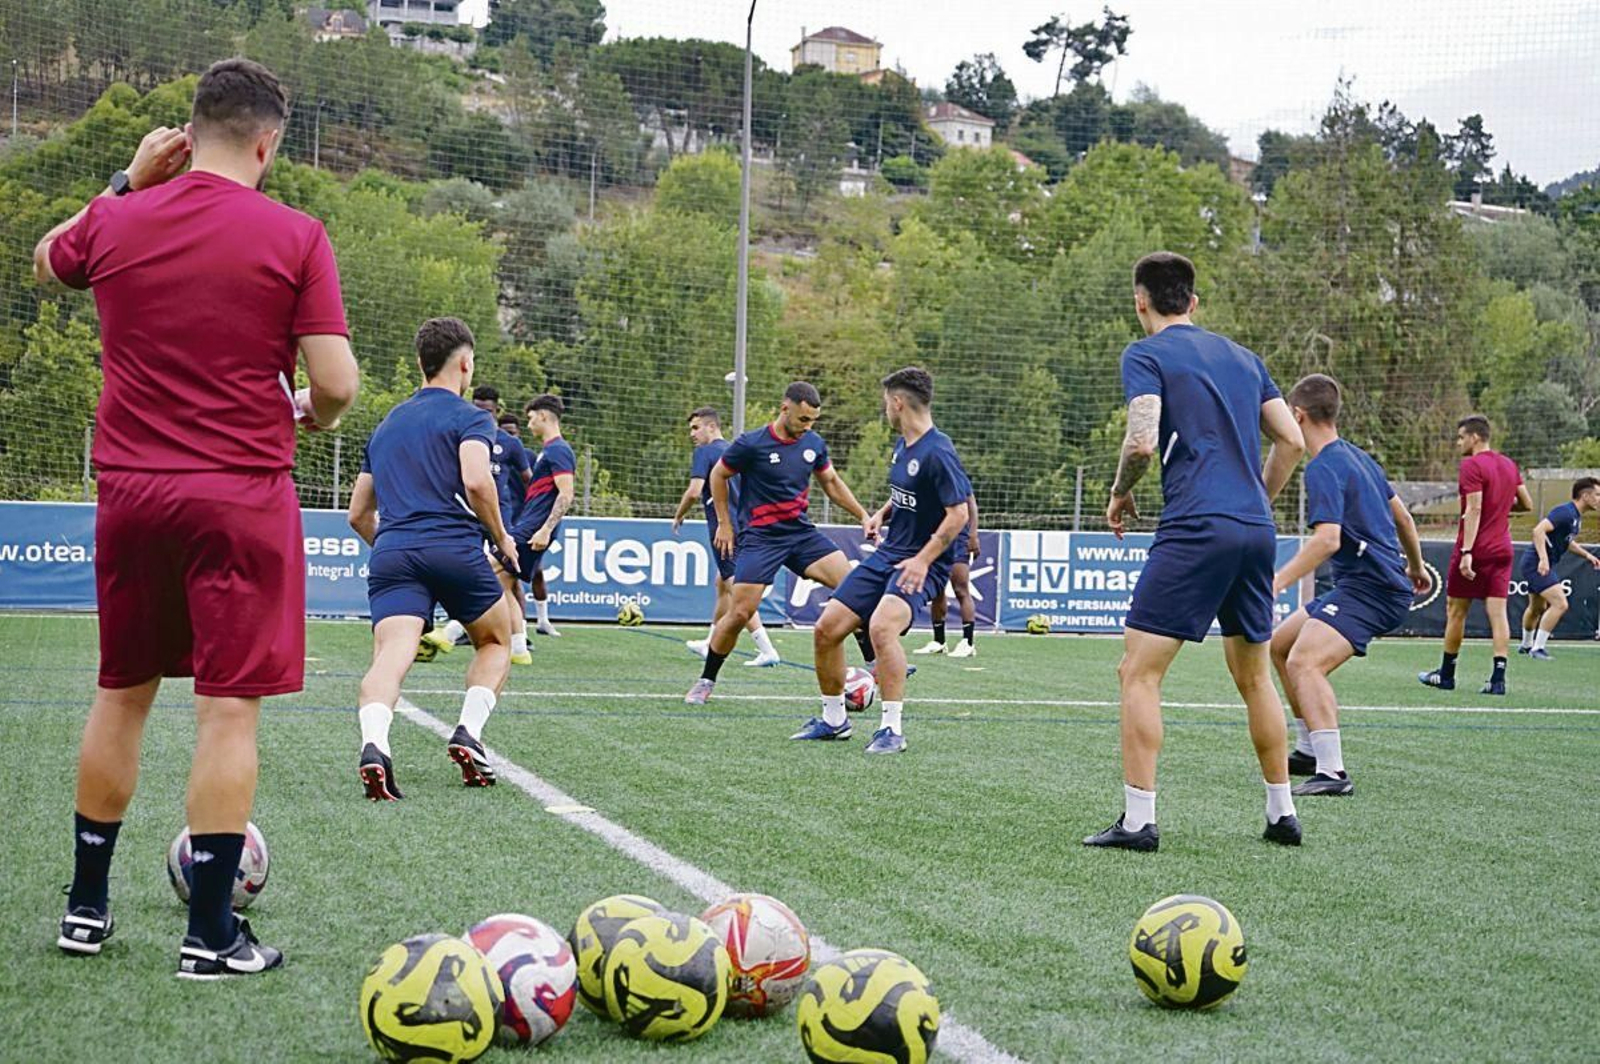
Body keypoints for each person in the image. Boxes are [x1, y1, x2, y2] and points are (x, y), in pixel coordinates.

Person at [34, 58, 359, 977]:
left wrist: (123, 185)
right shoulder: (295, 234)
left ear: (186, 132)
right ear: (267, 142)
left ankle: (85, 910)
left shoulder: (117, 219)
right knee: (227, 714)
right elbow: (334, 384)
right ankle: (210, 935)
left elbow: (45, 259)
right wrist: (312, 410)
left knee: (122, 694)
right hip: (240, 495)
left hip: (130, 493)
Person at [1084, 252, 1306, 853]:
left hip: (1195, 524)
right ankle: (1281, 812)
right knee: (1256, 676)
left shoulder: (1146, 354)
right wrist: (1257, 498)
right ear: (1194, 302)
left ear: (1140, 301)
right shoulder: (1244, 358)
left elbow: (1140, 441)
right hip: (1256, 529)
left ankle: (1137, 821)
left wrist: (1118, 493)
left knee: (1138, 671)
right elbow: (1291, 439)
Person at [348, 318, 517, 799]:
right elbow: (478, 481)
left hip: (394, 550)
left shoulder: (387, 426)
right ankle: (468, 733)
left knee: (391, 655)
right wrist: (502, 538)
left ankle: (375, 745)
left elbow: (359, 514)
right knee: (496, 640)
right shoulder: (471, 417)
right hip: (454, 548)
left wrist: (395, 546)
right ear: (464, 364)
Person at [792, 368, 971, 753]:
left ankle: (892, 730)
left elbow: (957, 514)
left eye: (885, 402)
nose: (884, 409)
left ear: (897, 402)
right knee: (827, 628)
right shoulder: (904, 446)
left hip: (925, 562)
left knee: (881, 627)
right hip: (891, 551)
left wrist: (923, 561)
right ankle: (834, 720)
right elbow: (908, 493)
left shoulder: (939, 451)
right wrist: (880, 514)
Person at [1268, 375, 1429, 797]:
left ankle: (1333, 772)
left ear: (1297, 415)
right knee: (1280, 645)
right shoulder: (1359, 458)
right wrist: (1415, 566)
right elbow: (1405, 520)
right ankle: (1307, 750)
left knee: (1305, 661)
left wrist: (1277, 582)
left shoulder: (1322, 467)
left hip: (1371, 590)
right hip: (1369, 584)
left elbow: (1327, 540)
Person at [684, 382, 875, 704]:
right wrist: (726, 524)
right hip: (760, 538)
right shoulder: (751, 443)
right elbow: (718, 476)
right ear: (785, 408)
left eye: (813, 420)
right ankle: (706, 680)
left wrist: (863, 515)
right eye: (803, 419)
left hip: (800, 533)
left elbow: (831, 482)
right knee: (741, 612)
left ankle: (874, 665)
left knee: (854, 588)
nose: (808, 426)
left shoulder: (813, 443)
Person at [1418, 416, 1532, 695]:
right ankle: (1498, 679)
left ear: (1475, 438)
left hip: (1475, 548)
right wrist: (1501, 507)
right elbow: (1526, 504)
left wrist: (1467, 551)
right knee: (1499, 614)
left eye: (1461, 437)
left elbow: (1474, 509)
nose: (1459, 443)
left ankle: (1446, 675)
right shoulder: (1508, 464)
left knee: (1456, 611)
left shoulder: (1471, 465)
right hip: (1503, 548)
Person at [422, 389, 534, 663]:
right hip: (465, 515)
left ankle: (454, 632)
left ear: (496, 410)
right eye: (477, 408)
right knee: (476, 574)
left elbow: (529, 481)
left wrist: (528, 519)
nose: (482, 413)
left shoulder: (510, 444)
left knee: (505, 579)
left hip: (498, 517)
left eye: (488, 410)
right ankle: (517, 646)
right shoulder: (463, 435)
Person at [671, 406, 781, 667]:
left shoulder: (705, 452)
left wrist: (679, 515)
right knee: (722, 584)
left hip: (724, 531)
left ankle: (766, 649)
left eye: (696, 428)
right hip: (747, 526)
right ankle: (711, 642)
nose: (692, 434)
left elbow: (695, 491)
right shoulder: (734, 452)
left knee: (737, 592)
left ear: (712, 427)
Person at [491, 395, 575, 638]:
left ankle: (449, 634)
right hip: (530, 526)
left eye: (530, 419)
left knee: (483, 571)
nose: (528, 425)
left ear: (543, 416)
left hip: (532, 530)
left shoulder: (558, 450)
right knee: (503, 581)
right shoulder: (548, 451)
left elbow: (566, 493)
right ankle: (518, 646)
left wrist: (546, 530)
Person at [1517, 477, 1600, 660]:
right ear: (1585, 496)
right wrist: (1544, 560)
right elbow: (1538, 531)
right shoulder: (1565, 512)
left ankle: (1525, 645)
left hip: (1537, 563)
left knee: (1537, 607)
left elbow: (1567, 541)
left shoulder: (1575, 517)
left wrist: (1587, 555)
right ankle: (1537, 649)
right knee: (1560, 603)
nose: (1599, 499)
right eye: (1597, 494)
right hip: (1535, 564)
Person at [912, 494, 980, 658]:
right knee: (938, 589)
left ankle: (968, 642)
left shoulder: (955, 474)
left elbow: (971, 503)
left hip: (958, 538)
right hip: (936, 537)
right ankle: (939, 641)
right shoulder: (928, 477)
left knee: (960, 588)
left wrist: (973, 534)